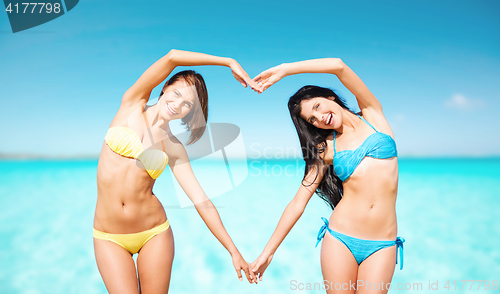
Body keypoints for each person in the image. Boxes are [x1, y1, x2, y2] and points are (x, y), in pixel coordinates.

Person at [93, 49, 258, 293]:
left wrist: (234, 251)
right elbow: (172, 57)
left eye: (187, 104)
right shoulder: (131, 104)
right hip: (108, 236)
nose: (177, 104)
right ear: (165, 85)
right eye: (176, 93)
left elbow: (201, 201)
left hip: (154, 234)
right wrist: (228, 62)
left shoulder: (174, 147)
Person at [251, 58, 404, 293]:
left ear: (330, 96)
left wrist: (285, 70)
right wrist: (267, 253)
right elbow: (297, 203)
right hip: (340, 239)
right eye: (312, 119)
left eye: (317, 106)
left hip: (383, 243)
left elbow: (339, 66)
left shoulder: (373, 116)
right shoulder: (325, 149)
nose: (320, 118)